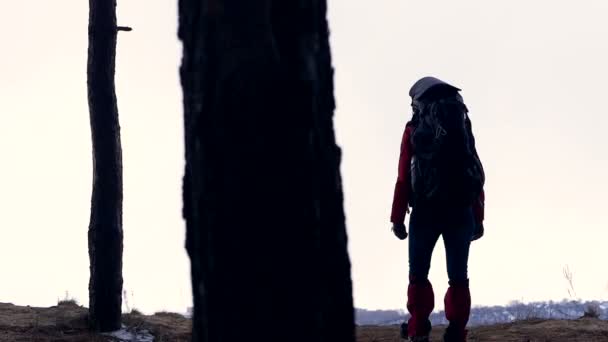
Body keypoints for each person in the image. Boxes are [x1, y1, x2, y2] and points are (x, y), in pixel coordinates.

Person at [390, 77, 486, 342]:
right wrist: (478, 218)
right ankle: (456, 331)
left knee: (418, 273)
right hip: (461, 211)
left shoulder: (413, 129)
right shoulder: (462, 125)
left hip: (425, 212)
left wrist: (398, 218)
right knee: (458, 277)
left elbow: (402, 177)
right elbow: (474, 171)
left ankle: (418, 328)